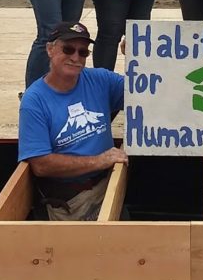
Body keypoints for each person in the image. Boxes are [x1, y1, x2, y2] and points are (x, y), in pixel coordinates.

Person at [18, 20, 128, 221]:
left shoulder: (100, 80)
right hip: (70, 201)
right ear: (50, 49)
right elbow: (41, 165)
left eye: (83, 52)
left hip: (108, 187)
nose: (75, 57)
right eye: (68, 49)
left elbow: (145, 91)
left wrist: (137, 56)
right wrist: (100, 160)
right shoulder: (34, 101)